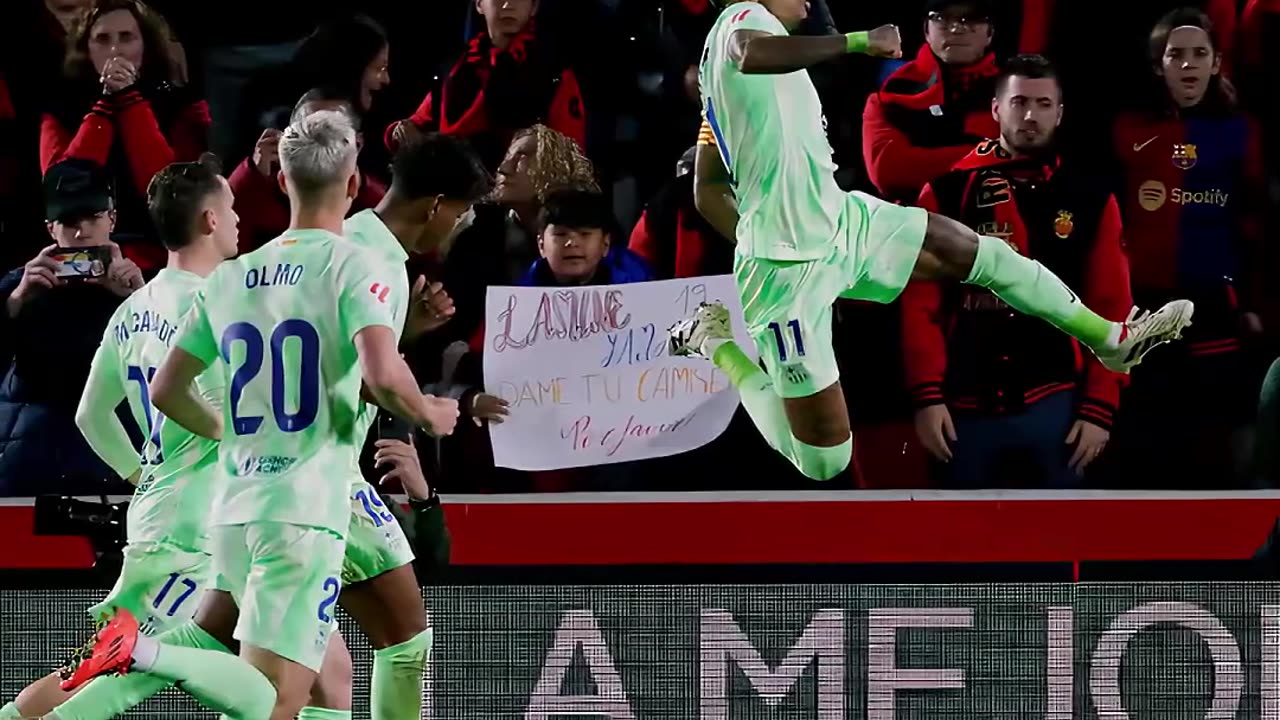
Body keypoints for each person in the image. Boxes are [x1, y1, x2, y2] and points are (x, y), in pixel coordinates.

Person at [669, 0, 1194, 482]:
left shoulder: (721, 81)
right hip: (782, 269)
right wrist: (859, 42)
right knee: (825, 460)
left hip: (841, 221)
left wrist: (783, 221)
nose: (808, 4)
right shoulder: (745, 21)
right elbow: (750, 51)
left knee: (981, 254)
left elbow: (708, 189)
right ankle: (717, 343)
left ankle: (1111, 340)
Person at [61, 111, 460, 720]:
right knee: (273, 700)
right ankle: (144, 652)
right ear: (354, 187)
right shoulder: (357, 264)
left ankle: (79, 700)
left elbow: (168, 390)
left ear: (280, 181)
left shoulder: (232, 276)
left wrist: (230, 436)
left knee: (300, 679)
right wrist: (431, 412)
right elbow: (382, 376)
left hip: (234, 506)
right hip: (305, 509)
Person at [0, 156, 240, 720]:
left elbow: (92, 415)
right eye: (230, 208)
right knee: (128, 674)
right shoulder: (214, 310)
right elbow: (236, 417)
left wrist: (142, 473)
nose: (238, 221)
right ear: (208, 219)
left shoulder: (134, 305)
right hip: (193, 528)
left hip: (163, 513)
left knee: (97, 667)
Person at [902, 56, 1132, 488]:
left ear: (1060, 114)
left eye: (1044, 104)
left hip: (1057, 405)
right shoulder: (945, 193)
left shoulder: (1091, 198)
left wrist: (1100, 406)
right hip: (961, 409)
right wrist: (926, 397)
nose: (1030, 115)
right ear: (996, 109)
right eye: (1019, 102)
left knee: (1058, 545)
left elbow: (1112, 305)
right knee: (962, 546)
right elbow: (920, 307)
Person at [1105, 9, 1267, 487]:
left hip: (1216, 306)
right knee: (1148, 437)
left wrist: (1252, 303)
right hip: (1143, 307)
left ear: (1217, 63)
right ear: (1159, 65)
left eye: (1200, 53)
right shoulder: (1127, 129)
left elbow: (1256, 225)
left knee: (1213, 442)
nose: (1189, 64)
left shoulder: (1242, 131)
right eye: (1177, 54)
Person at [0, 159, 144, 497]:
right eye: (68, 221)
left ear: (112, 218)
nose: (81, 232)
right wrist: (14, 304)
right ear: (51, 228)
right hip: (30, 470)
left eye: (93, 217)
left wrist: (139, 302)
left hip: (116, 468)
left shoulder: (144, 289)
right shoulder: (17, 287)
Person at [40, 0, 209, 274]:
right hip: (80, 256)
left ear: (146, 45)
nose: (115, 50)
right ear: (87, 49)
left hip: (162, 253)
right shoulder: (60, 108)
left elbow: (166, 191)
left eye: (127, 38)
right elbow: (65, 189)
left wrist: (129, 100)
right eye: (103, 39)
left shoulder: (180, 104)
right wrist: (105, 106)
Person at [385, 0, 586, 170]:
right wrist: (401, 132)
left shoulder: (553, 71)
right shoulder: (456, 67)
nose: (508, 5)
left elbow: (569, 157)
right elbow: (417, 122)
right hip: (449, 188)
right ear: (479, 4)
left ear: (533, 8)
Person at [231, 88, 387, 253]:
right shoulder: (256, 184)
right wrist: (251, 177)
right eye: (306, 133)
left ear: (357, 143)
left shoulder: (377, 205)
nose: (318, 144)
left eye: (331, 133)